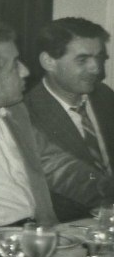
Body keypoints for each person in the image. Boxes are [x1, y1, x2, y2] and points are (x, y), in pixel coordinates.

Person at [0, 21, 104, 229]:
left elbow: (60, 168)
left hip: (39, 232)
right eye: (15, 66)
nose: (26, 71)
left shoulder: (15, 113)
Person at [25, 17, 114, 220]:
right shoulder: (27, 113)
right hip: (68, 226)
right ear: (49, 62)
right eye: (82, 60)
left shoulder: (105, 96)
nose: (96, 69)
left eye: (99, 58)